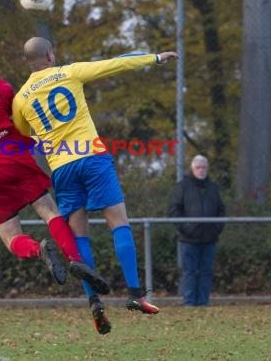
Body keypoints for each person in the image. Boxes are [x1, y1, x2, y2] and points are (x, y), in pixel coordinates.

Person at [12, 36, 178, 334]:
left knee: (80, 237)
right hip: (92, 157)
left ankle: (95, 303)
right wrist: (154, 58)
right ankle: (136, 294)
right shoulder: (70, 72)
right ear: (50, 55)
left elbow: (23, 132)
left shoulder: (21, 98)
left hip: (62, 168)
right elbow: (115, 64)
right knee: (119, 223)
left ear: (28, 61)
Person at [0, 32, 109, 295]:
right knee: (49, 211)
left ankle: (38, 249)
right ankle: (75, 260)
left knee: (11, 236)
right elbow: (20, 123)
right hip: (12, 157)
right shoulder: (2, 89)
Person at [168, 155, 226, 306]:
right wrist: (185, 227)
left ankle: (203, 302)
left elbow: (221, 210)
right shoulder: (183, 186)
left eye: (204, 167)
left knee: (206, 272)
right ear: (193, 169)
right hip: (188, 239)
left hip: (209, 238)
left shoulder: (213, 188)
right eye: (198, 167)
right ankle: (189, 302)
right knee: (189, 271)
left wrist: (216, 229)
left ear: (207, 169)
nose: (201, 170)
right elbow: (174, 209)